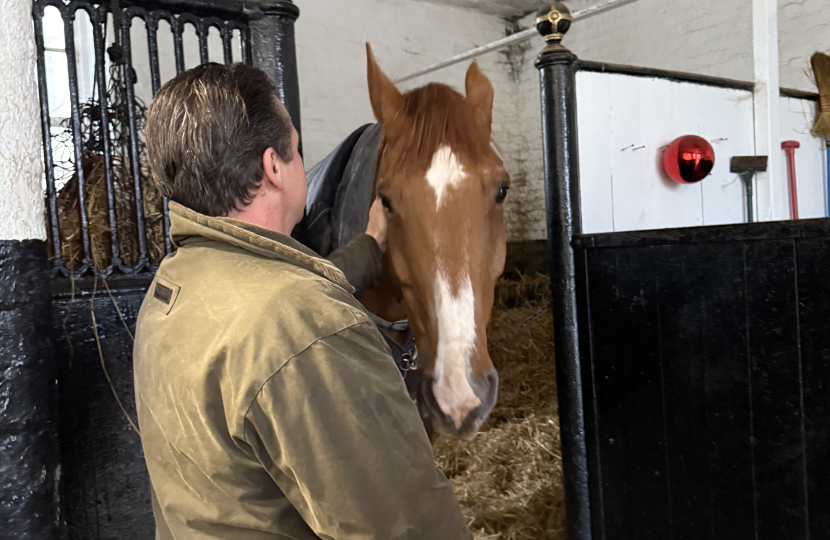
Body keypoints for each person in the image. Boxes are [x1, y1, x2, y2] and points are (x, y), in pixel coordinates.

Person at [133, 62, 472, 540]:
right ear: (274, 167)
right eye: (296, 150)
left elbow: (282, 292)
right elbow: (402, 527)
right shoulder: (306, 326)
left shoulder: (177, 283)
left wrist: (372, 246)